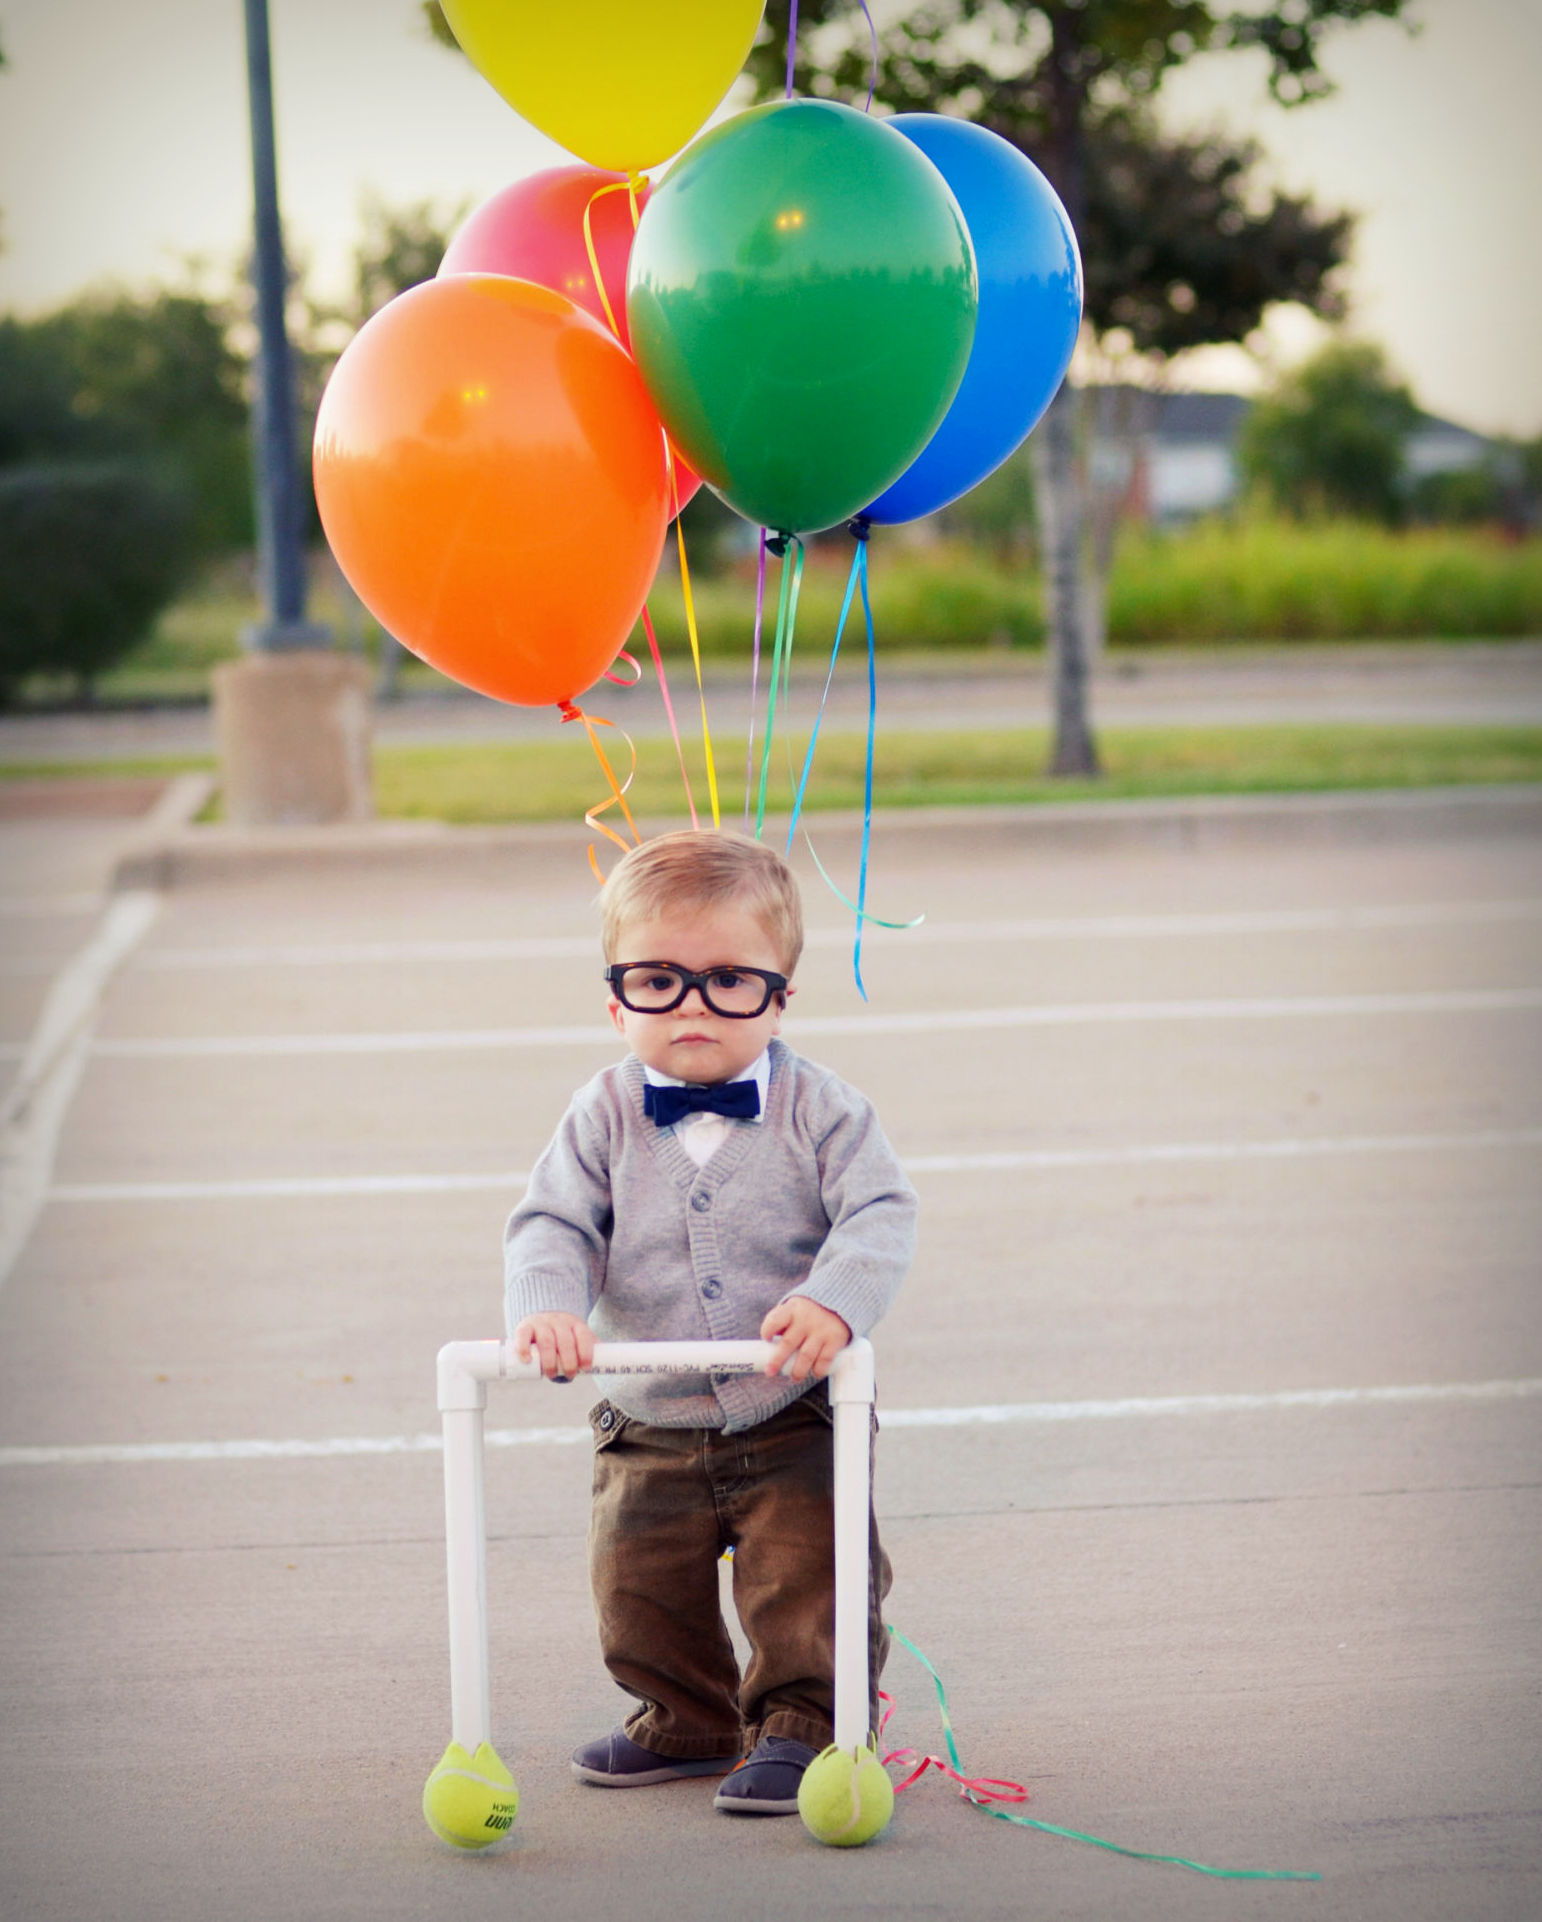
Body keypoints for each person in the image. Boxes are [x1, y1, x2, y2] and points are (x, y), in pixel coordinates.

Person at [505, 829, 917, 1816]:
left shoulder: (823, 1109)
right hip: (647, 1409)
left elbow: (881, 1211)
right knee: (638, 1585)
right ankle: (685, 1715)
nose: (692, 1003)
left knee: (803, 1582)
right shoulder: (598, 1113)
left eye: (730, 978)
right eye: (658, 979)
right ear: (614, 999)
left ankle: (802, 1725)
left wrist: (832, 1299)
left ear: (781, 995)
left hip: (789, 1404)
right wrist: (551, 1304)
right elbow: (552, 1222)